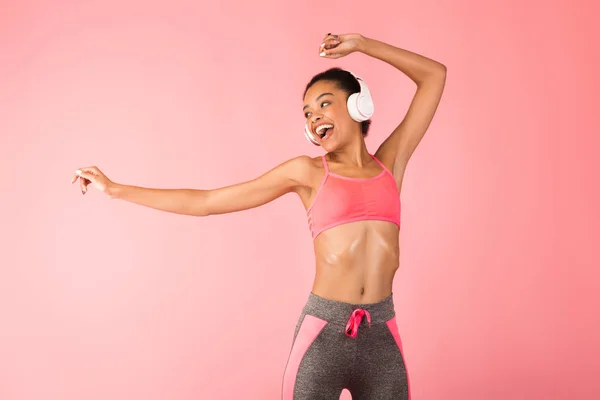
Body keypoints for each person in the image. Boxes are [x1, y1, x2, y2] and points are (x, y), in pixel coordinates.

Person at [71, 33, 446, 400]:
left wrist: (363, 45)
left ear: (358, 106)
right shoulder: (307, 173)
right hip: (323, 336)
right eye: (308, 113)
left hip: (381, 333)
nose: (315, 118)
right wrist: (117, 189)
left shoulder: (389, 165)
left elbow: (434, 76)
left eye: (325, 104)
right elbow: (207, 201)